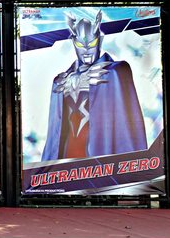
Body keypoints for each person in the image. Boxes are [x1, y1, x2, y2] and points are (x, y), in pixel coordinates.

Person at [41, 11, 147, 160]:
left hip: (100, 159)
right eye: (80, 45)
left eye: (91, 44)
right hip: (66, 159)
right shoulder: (61, 81)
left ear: (100, 40)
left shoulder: (115, 72)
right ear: (73, 43)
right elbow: (54, 135)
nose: (86, 50)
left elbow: (128, 130)